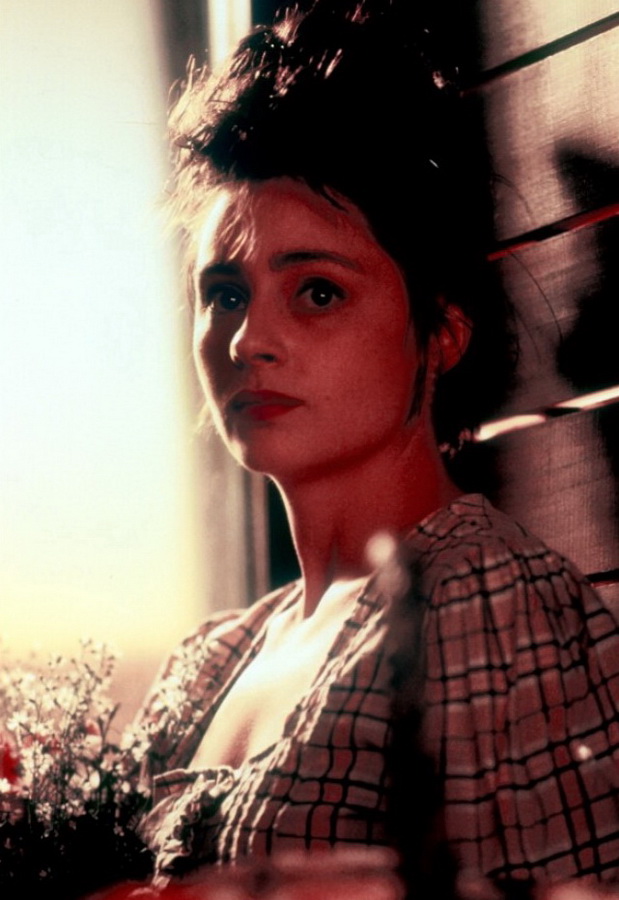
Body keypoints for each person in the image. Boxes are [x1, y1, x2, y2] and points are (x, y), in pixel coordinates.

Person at [129, 0, 619, 894]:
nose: (247, 341)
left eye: (316, 292)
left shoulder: (478, 605)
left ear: (442, 332)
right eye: (225, 294)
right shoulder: (213, 657)